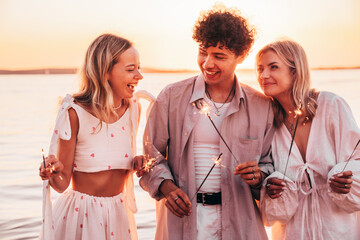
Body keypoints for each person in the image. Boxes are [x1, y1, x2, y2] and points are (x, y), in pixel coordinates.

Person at [139, 5, 275, 240]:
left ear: (240, 57)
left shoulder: (262, 106)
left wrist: (260, 176)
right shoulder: (171, 97)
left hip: (241, 226)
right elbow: (150, 157)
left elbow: (272, 165)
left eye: (219, 56)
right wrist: (167, 188)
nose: (208, 63)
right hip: (183, 224)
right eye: (204, 52)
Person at [39, 33, 153, 240]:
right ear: (105, 72)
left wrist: (136, 162)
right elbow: (62, 184)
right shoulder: (74, 113)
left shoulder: (133, 108)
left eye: (139, 68)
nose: (139, 75)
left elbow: (118, 156)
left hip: (119, 214)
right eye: (130, 69)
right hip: (81, 216)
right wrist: (52, 171)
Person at [256, 39, 360, 239]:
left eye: (273, 67)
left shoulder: (331, 105)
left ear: (295, 71)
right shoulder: (267, 121)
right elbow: (264, 169)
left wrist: (348, 181)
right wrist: (271, 186)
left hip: (337, 229)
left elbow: (357, 157)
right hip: (293, 232)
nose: (263, 75)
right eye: (260, 69)